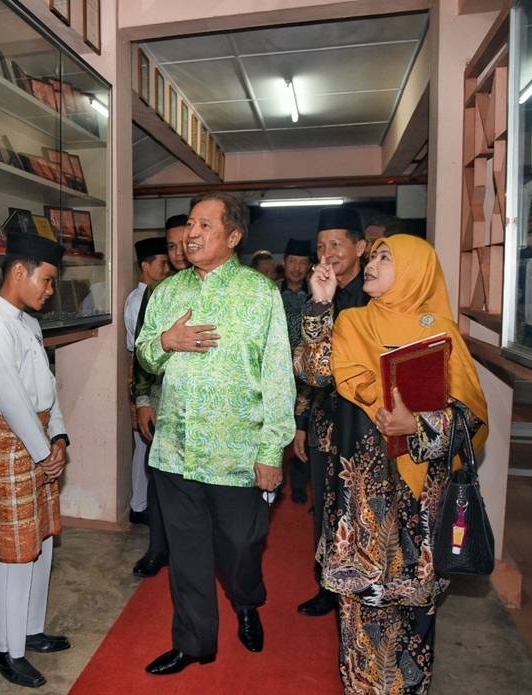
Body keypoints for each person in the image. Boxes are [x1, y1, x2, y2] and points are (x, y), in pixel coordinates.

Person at [296, 234, 487, 694]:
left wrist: (416, 424)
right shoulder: (352, 322)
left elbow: (471, 417)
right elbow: (315, 372)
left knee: (414, 622)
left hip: (420, 503)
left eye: (387, 257)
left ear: (417, 271)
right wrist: (320, 306)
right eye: (375, 255)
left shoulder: (439, 331)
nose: (374, 263)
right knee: (360, 617)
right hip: (360, 498)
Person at [137, 192, 295, 675]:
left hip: (238, 454)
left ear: (232, 236)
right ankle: (194, 642)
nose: (192, 232)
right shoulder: (167, 292)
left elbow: (277, 376)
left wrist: (272, 449)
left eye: (206, 224)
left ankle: (246, 601)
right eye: (190, 223)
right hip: (176, 453)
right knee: (187, 555)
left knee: (241, 547)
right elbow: (144, 355)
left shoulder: (259, 293)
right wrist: (166, 341)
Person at [0, 232, 71, 689]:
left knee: (41, 541)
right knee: (14, 553)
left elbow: (47, 388)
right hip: (13, 442)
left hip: (39, 438)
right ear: (19, 271)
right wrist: (43, 450)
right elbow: (11, 399)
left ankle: (29, 630)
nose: (49, 291)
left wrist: (60, 437)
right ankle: (3, 650)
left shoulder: (27, 324)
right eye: (47, 281)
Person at [296, 206, 369, 618]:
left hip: (368, 426)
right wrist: (302, 424)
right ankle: (328, 586)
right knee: (327, 508)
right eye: (321, 246)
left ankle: (362, 586)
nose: (328, 253)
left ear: (359, 247)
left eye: (336, 244)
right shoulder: (320, 294)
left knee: (361, 508)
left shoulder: (375, 293)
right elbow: (310, 369)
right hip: (327, 423)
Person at [129, 214, 190, 578]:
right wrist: (142, 402)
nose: (179, 252)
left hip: (203, 409)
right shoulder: (156, 292)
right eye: (171, 246)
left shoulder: (216, 289)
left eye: (184, 243)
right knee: (159, 479)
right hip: (162, 402)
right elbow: (141, 352)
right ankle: (157, 549)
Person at [124, 237, 171, 526]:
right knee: (144, 443)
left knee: (146, 444)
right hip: (144, 371)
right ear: (145, 265)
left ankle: (141, 503)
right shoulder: (138, 299)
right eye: (162, 263)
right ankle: (138, 505)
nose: (167, 268)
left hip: (153, 373)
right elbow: (142, 344)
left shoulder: (157, 294)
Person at [278, 238, 312, 504]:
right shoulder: (271, 293)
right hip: (276, 373)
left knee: (303, 426)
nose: (297, 268)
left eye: (303, 263)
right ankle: (274, 481)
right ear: (284, 263)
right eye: (293, 262)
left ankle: (299, 484)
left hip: (305, 376)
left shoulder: (318, 297)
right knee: (276, 428)